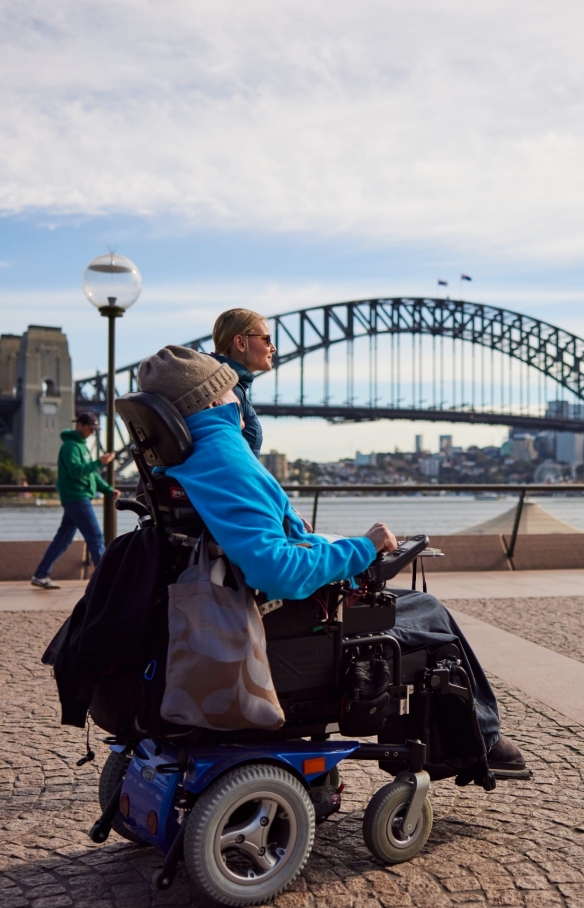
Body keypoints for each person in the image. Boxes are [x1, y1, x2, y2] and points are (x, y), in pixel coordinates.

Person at [137, 345, 526, 774]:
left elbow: (252, 539)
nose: (239, 398)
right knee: (429, 611)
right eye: (230, 389)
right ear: (211, 400)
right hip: (279, 617)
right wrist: (365, 546)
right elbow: (277, 569)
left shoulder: (180, 460)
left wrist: (312, 539)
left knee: (407, 607)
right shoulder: (224, 456)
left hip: (231, 599)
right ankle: (482, 741)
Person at [31, 412, 120, 590]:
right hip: (76, 497)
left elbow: (91, 475)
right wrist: (99, 462)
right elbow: (76, 471)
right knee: (95, 537)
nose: (93, 433)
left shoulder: (81, 446)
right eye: (90, 428)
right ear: (79, 425)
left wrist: (108, 490)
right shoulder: (70, 447)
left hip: (77, 497)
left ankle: (40, 575)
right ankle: (104, 581)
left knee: (63, 540)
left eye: (95, 430)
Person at [211, 308, 276, 457]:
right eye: (266, 340)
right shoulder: (228, 391)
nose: (273, 348)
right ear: (241, 343)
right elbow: (226, 457)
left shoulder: (217, 383)